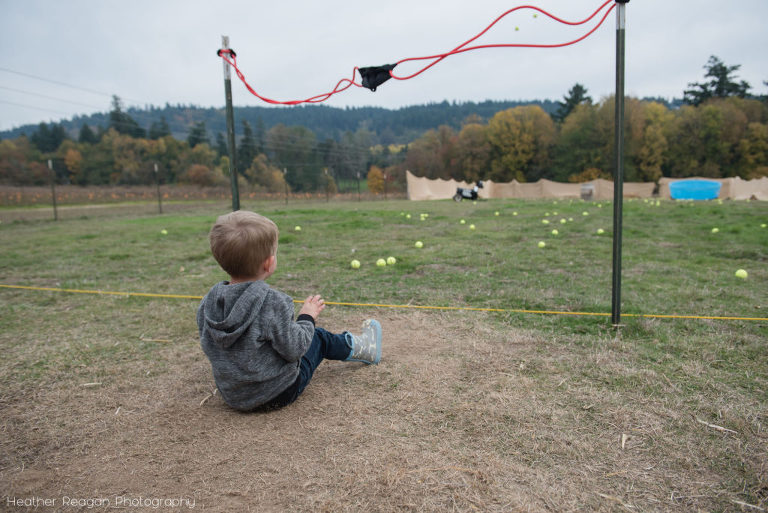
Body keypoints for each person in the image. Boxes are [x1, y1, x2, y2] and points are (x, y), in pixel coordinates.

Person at [197, 210, 382, 411]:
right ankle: (365, 347)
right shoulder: (273, 302)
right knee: (317, 337)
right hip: (278, 393)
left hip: (234, 396)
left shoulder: (209, 302)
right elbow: (295, 349)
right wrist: (307, 317)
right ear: (268, 263)